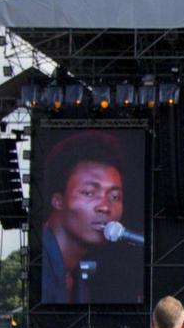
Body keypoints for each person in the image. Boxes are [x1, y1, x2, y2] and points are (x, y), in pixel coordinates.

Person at [40, 130, 141, 304]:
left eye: (115, 196)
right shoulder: (40, 262)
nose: (104, 207)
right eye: (88, 192)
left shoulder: (77, 277)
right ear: (58, 201)